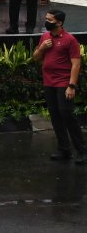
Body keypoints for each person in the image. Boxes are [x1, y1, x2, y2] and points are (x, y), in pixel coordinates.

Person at [33, 10, 85, 163]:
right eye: (46, 18)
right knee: (55, 115)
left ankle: (82, 150)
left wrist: (71, 86)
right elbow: (36, 58)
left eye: (50, 19)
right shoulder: (45, 37)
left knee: (67, 114)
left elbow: (76, 64)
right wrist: (42, 48)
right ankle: (64, 149)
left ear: (59, 23)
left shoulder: (70, 40)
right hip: (48, 82)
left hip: (63, 83)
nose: (46, 21)